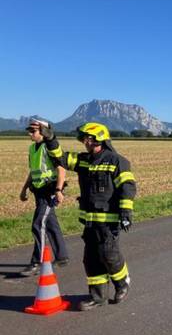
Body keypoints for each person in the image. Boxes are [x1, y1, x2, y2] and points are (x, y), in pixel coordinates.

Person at [38, 121, 136, 310]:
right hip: (90, 220)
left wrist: (126, 212)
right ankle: (98, 297)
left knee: (108, 254)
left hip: (109, 221)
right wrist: (50, 139)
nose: (85, 142)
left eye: (89, 138)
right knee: (91, 259)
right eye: (84, 138)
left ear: (100, 138)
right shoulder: (83, 160)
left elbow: (127, 187)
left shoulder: (117, 161)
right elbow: (60, 158)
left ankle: (122, 282)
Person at [19, 119, 69, 276]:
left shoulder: (50, 147)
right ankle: (62, 257)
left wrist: (58, 190)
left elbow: (61, 169)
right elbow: (33, 171)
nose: (30, 134)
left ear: (43, 132)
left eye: (33, 131)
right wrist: (24, 188)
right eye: (29, 131)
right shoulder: (32, 148)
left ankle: (37, 262)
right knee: (51, 224)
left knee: (38, 223)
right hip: (39, 192)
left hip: (50, 191)